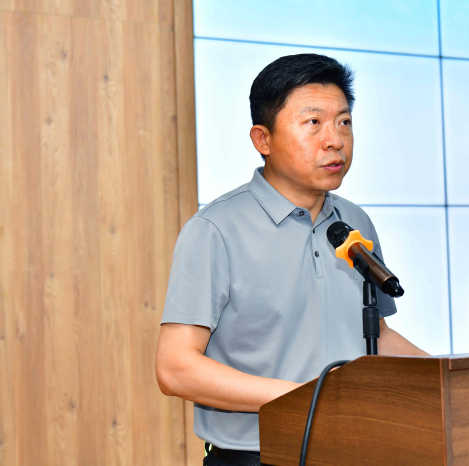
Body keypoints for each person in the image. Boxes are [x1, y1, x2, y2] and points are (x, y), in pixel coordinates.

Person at [156, 53, 426, 466]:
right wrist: (307, 398)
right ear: (262, 140)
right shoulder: (216, 229)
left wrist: (447, 380)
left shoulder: (355, 222)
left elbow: (376, 336)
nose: (334, 140)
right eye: (313, 123)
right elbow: (176, 368)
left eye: (344, 122)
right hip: (255, 457)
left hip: (354, 450)